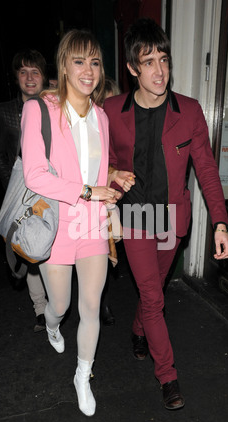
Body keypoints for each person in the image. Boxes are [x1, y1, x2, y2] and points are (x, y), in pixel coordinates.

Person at [104, 18, 228, 411]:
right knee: (152, 294)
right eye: (148, 62)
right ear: (131, 68)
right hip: (135, 215)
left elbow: (207, 170)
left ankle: (139, 329)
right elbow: (98, 161)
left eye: (164, 59)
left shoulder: (190, 111)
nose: (159, 71)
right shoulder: (110, 111)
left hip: (171, 218)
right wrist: (109, 173)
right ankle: (168, 376)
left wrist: (220, 222)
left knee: (153, 290)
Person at [20, 29, 125, 417]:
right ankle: (50, 324)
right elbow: (34, 175)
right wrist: (86, 190)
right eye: (79, 61)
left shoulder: (101, 115)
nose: (88, 70)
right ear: (63, 65)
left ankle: (84, 374)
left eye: (95, 62)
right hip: (56, 224)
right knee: (61, 305)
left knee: (91, 305)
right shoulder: (39, 109)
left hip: (92, 225)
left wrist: (109, 186)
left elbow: (97, 173)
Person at [0, 49, 48, 332]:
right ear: (16, 77)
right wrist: (11, 187)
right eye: (23, 72)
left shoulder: (54, 107)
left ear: (44, 76)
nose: (29, 77)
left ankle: (58, 301)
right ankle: (40, 308)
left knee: (51, 246)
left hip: (50, 189)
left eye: (35, 71)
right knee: (29, 247)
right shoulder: (4, 112)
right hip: (21, 190)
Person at [100, 76, 122, 326]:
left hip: (112, 195)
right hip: (87, 195)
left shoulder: (119, 126)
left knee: (106, 249)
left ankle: (101, 301)